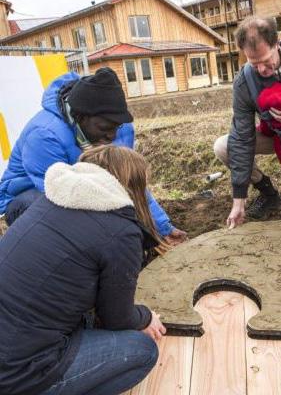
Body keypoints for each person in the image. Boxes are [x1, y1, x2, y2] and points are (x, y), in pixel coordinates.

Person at [0, 145, 167, 395]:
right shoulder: (120, 232)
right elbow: (117, 319)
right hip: (21, 372)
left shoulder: (48, 201)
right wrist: (145, 317)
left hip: (11, 340)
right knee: (143, 351)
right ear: (132, 187)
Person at [0, 67, 186, 244]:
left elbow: (131, 182)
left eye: (117, 127)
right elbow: (61, 195)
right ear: (81, 117)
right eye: (105, 128)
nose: (112, 136)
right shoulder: (45, 135)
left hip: (81, 188)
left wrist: (162, 228)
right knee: (77, 227)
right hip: (32, 197)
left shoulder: (119, 128)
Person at [213, 16, 281, 229]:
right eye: (255, 64)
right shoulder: (245, 82)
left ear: (276, 43)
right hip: (274, 133)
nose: (263, 70)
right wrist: (239, 199)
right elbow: (242, 137)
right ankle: (269, 194)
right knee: (224, 146)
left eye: (266, 61)